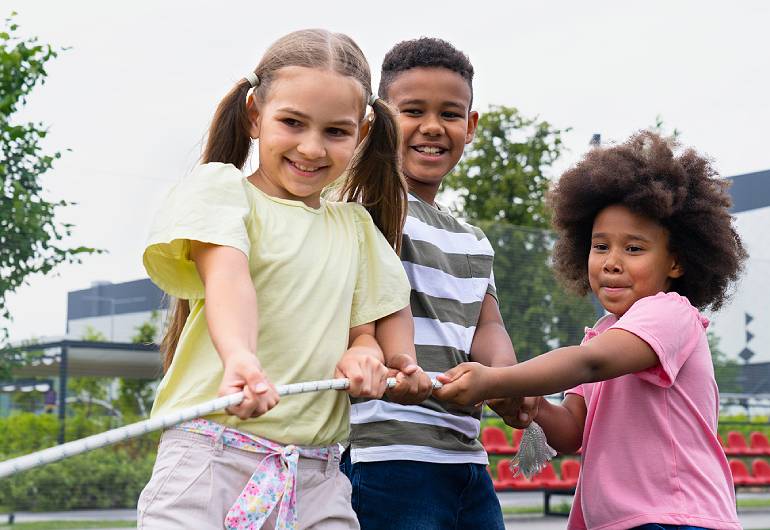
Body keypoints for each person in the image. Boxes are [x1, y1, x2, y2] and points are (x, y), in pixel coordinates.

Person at [137, 29, 427, 530]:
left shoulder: (355, 228)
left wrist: (378, 356)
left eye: (336, 132)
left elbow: (379, 319)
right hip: (210, 459)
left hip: (316, 476)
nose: (312, 147)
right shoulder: (223, 190)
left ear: (360, 134)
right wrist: (240, 358)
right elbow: (229, 277)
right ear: (255, 115)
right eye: (292, 122)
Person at [435, 131, 747, 529]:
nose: (611, 262)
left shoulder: (670, 314)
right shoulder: (601, 332)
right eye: (601, 246)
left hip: (677, 517)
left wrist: (495, 377)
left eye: (633, 249)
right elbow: (571, 433)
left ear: (677, 263)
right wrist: (531, 405)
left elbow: (591, 363)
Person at [341, 37, 521, 530]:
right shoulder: (361, 208)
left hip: (465, 457)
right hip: (384, 453)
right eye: (412, 111)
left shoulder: (473, 239)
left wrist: (506, 380)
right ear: (375, 121)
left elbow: (487, 326)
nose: (433, 127)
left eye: (450, 113)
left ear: (471, 125)